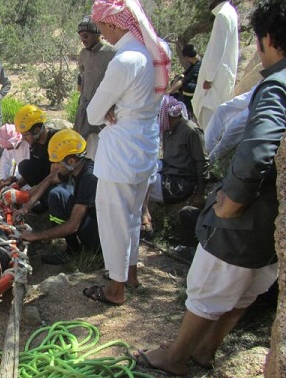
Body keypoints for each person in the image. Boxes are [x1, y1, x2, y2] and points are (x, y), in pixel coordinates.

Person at [133, 2, 285, 375]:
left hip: (249, 214)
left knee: (206, 290)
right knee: (246, 290)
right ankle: (204, 352)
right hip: (272, 222)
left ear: (267, 38)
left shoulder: (277, 87)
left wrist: (230, 200)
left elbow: (260, 148)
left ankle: (176, 358)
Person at [83, 0, 171, 306]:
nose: (104, 34)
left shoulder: (125, 60)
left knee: (114, 220)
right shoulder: (155, 50)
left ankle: (115, 289)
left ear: (117, 24)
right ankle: (130, 274)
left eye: (105, 27)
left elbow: (94, 114)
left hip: (120, 151)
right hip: (145, 144)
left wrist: (107, 108)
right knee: (132, 216)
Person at [17, 129, 99, 265]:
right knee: (57, 195)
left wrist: (35, 236)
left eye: (57, 162)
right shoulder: (77, 167)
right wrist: (26, 207)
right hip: (94, 224)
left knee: (58, 194)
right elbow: (50, 179)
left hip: (101, 238)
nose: (54, 166)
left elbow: (73, 225)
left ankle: (81, 253)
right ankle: (73, 249)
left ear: (71, 161)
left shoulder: (89, 178)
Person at [140, 96, 209, 237]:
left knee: (140, 181)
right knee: (141, 166)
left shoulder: (191, 131)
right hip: (167, 169)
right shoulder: (168, 129)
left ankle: (144, 216)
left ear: (167, 115)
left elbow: (203, 162)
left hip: (179, 183)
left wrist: (199, 193)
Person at [73, 15, 116, 160]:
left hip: (103, 108)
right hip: (84, 107)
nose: (83, 40)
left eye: (86, 36)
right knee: (80, 148)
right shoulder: (83, 54)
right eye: (81, 37)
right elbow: (82, 77)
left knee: (98, 150)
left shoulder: (111, 53)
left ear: (97, 33)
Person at [191, 0, 239, 130]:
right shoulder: (230, 12)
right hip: (222, 77)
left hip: (215, 83)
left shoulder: (222, 15)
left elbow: (217, 50)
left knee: (210, 124)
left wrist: (209, 78)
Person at [14, 104, 58, 191]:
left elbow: (57, 175)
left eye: (26, 135)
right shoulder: (34, 144)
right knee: (24, 166)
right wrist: (16, 185)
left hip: (58, 185)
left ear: (37, 131)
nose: (23, 139)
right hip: (44, 182)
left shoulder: (56, 140)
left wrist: (32, 192)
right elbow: (34, 170)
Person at [167, 44, 201, 116]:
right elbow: (183, 75)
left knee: (186, 86)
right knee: (176, 81)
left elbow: (183, 81)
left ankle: (188, 111)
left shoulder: (198, 66)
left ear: (187, 57)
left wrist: (169, 92)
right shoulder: (194, 63)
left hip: (197, 90)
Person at [0, 123, 30, 189]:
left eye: (10, 147)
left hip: (31, 180)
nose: (8, 149)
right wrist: (3, 179)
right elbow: (6, 161)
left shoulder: (28, 144)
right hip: (20, 177)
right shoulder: (8, 147)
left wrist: (17, 183)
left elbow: (31, 171)